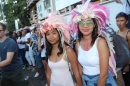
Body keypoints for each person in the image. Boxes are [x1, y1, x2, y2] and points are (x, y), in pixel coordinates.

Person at [70, 1, 117, 86]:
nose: (85, 26)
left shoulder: (100, 42)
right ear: (78, 25)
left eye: (89, 22)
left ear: (95, 24)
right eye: (81, 22)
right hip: (86, 81)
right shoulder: (77, 44)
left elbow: (104, 74)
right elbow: (80, 67)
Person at [40, 13, 83, 86]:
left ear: (60, 34)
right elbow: (48, 74)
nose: (51, 37)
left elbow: (76, 73)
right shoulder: (48, 51)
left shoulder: (68, 50)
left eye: (54, 33)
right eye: (48, 34)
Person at [115, 12, 130, 86]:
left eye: (122, 21)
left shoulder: (128, 33)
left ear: (127, 21)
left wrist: (128, 65)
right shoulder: (116, 32)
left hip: (127, 64)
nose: (119, 23)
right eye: (117, 21)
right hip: (119, 64)